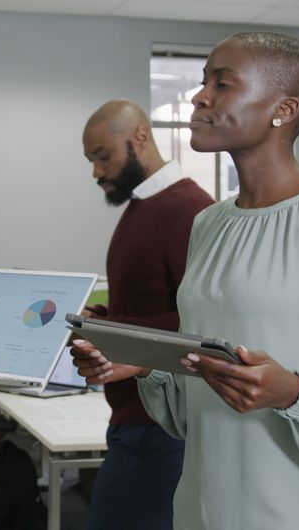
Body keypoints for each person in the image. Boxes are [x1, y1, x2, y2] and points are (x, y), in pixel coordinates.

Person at [72, 33, 299, 529]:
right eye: (203, 81)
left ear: (284, 108)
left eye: (222, 84)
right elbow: (199, 388)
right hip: (209, 497)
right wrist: (142, 365)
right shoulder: (209, 224)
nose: (200, 96)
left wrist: (292, 391)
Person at [78, 100, 215, 529]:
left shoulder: (190, 210)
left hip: (164, 422)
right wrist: (93, 318)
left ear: (140, 138)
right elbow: (144, 308)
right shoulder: (142, 209)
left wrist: (110, 333)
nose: (97, 172)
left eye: (103, 156)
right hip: (135, 415)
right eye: (91, 161)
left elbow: (204, 322)